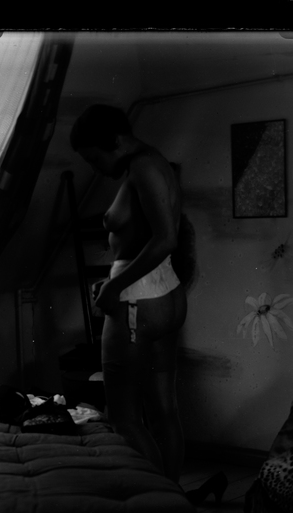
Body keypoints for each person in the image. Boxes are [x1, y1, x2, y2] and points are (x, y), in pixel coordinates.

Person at [70, 104, 188, 483]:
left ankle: (157, 504)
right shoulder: (155, 163)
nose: (96, 168)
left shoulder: (143, 168)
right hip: (163, 294)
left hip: (137, 298)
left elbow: (166, 239)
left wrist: (115, 285)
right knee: (163, 412)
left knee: (123, 418)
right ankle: (172, 503)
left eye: (95, 158)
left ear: (116, 140)